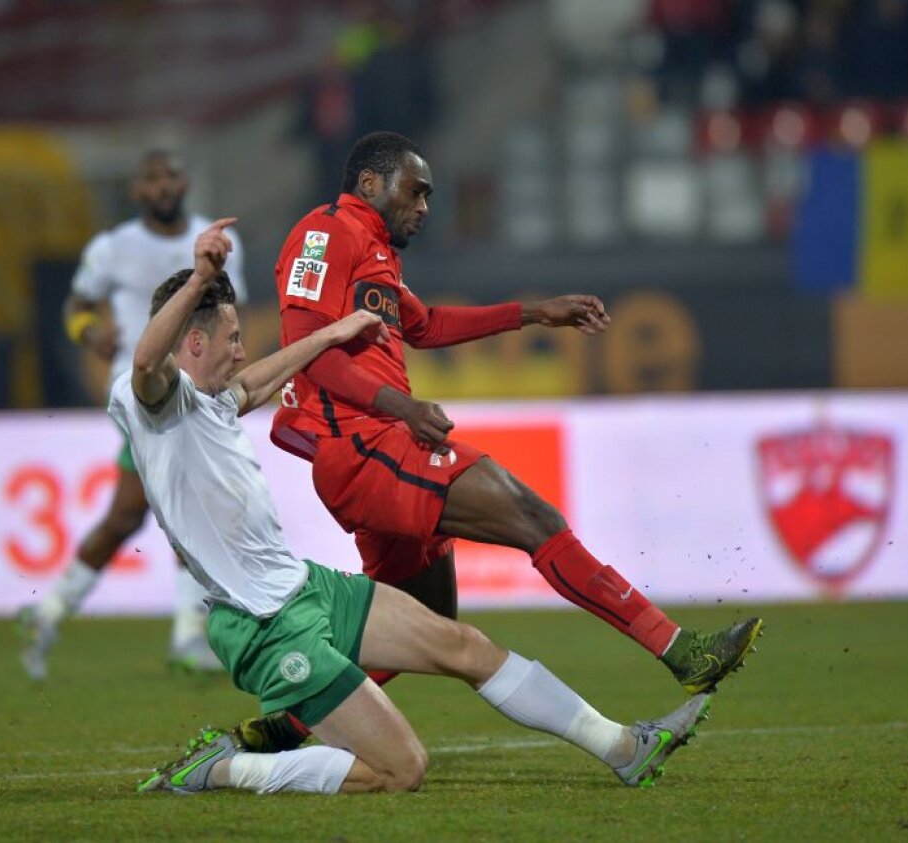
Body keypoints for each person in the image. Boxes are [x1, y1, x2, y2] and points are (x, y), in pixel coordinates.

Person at [127, 219, 711, 795]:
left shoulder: (209, 406)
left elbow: (255, 384)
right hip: (260, 623)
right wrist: (200, 277)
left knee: (464, 645)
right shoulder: (154, 404)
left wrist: (330, 335)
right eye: (232, 339)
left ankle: (624, 749)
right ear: (195, 342)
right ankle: (222, 770)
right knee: (400, 770)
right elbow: (147, 365)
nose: (239, 351)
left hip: (306, 589)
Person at [234, 130, 761, 753]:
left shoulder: (376, 249)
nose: (424, 207)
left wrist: (535, 313)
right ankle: (682, 651)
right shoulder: (323, 234)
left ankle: (284, 730)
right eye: (415, 191)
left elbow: (426, 326)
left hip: (378, 444)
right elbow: (308, 352)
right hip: (363, 446)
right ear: (370, 183)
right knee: (537, 521)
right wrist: (401, 405)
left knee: (427, 623)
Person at [17, 149, 247, 680]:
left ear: (185, 182)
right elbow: (76, 306)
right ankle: (188, 636)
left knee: (128, 514)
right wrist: (90, 333)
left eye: (171, 176)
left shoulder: (215, 245)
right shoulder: (113, 247)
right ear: (137, 191)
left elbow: (230, 316)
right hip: (141, 393)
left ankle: (48, 611)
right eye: (152, 179)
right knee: (190, 500)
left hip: (195, 393)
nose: (163, 186)